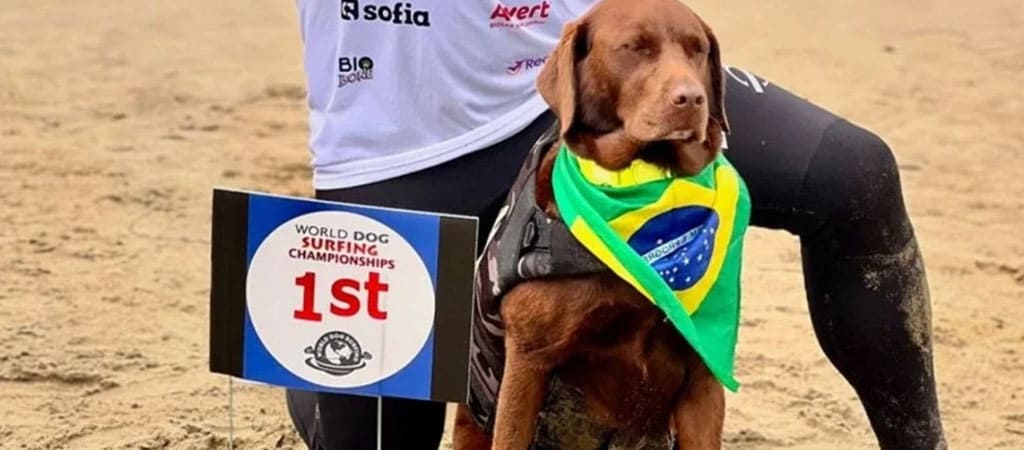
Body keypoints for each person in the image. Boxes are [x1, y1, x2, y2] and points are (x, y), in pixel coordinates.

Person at [284, 1, 947, 449]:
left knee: (852, 175)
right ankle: (307, 385)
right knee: (364, 432)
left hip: (593, 83)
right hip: (398, 138)